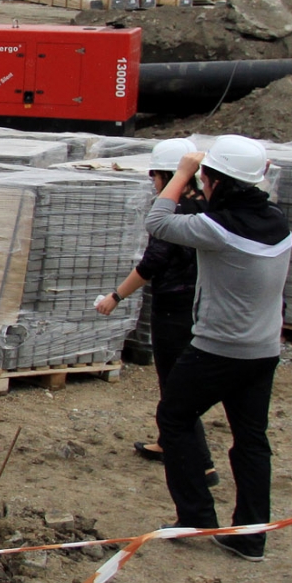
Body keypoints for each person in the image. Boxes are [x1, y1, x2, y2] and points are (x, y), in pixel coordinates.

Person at [145, 135, 292, 562]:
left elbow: (158, 222)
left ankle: (195, 516)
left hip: (218, 347)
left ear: (216, 180)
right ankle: (250, 535)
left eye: (206, 179)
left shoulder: (218, 229)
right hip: (263, 349)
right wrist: (200, 175)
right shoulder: (276, 220)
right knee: (251, 440)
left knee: (174, 417)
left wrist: (182, 173)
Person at [94, 138, 211, 475]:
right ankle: (166, 441)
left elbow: (152, 263)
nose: (152, 183)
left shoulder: (173, 211)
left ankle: (202, 464)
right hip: (199, 301)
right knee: (178, 380)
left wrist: (115, 297)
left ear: (164, 175)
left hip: (175, 305)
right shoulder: (206, 203)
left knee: (175, 383)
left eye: (153, 176)